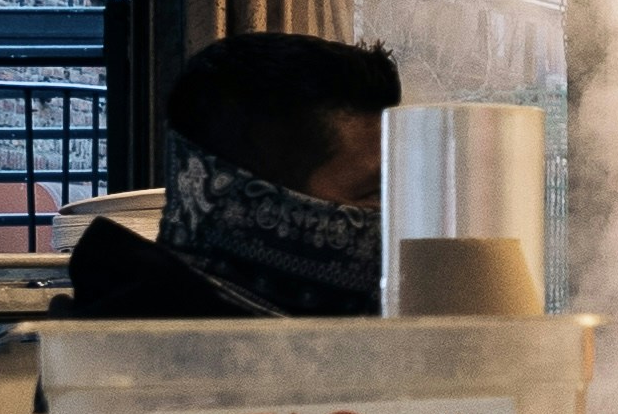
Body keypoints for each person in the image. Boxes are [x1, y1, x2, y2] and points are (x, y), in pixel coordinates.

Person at [64, 30, 398, 321]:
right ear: (256, 212)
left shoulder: (309, 342)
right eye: (373, 193)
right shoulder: (136, 371)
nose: (397, 216)